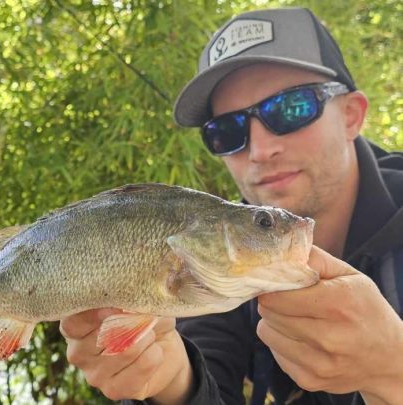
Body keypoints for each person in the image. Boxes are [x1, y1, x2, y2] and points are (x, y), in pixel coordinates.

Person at [59, 7, 403, 405]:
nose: (260, 150)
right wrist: (170, 381)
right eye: (227, 131)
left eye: (289, 109)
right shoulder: (218, 245)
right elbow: (208, 369)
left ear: (351, 115)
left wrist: (393, 369)